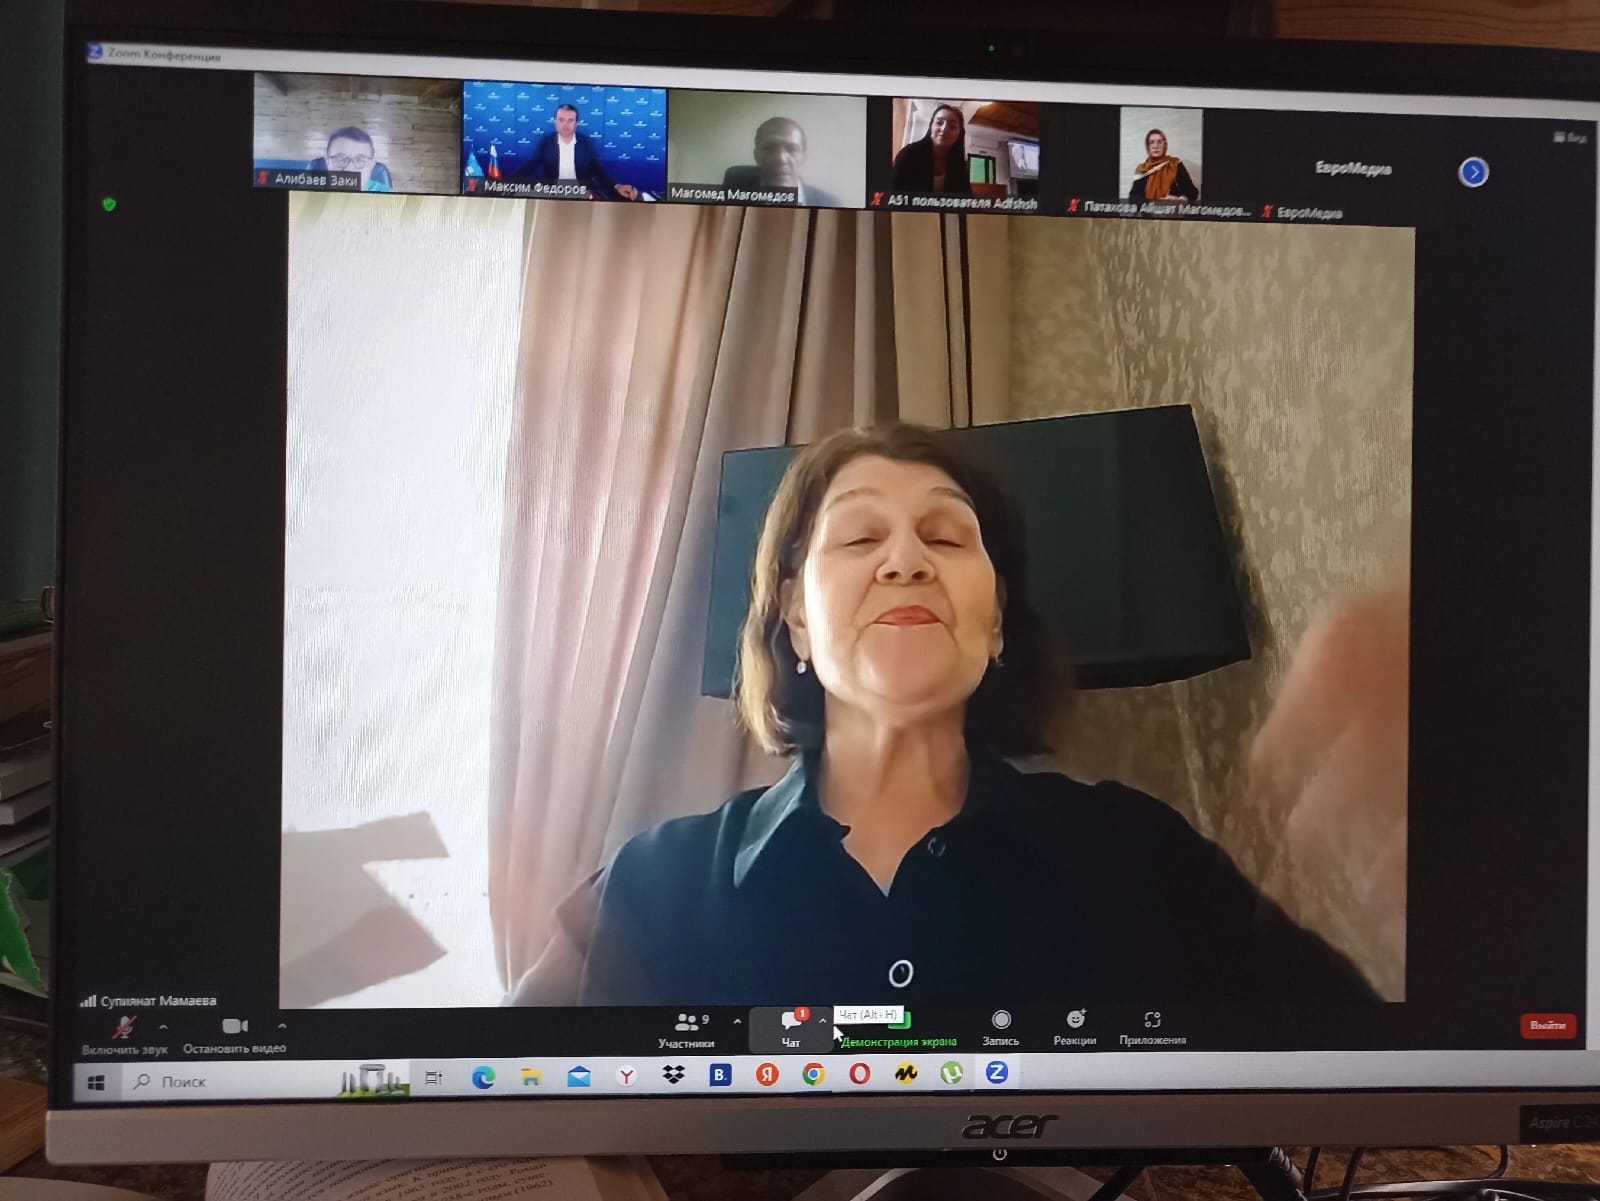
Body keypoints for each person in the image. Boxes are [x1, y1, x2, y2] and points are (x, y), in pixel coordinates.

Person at [512, 424, 1381, 1006]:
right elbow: (489, 1127)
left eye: (948, 536)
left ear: (995, 620)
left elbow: (1367, 1081)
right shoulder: (652, 886)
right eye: (860, 537)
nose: (906, 561)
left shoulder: (1143, 854)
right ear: (795, 618)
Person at [515, 104, 639, 200]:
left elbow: (597, 170)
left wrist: (616, 186)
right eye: (561, 120)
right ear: (555, 122)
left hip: (582, 192)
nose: (565, 124)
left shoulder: (586, 142)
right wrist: (509, 182)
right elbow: (531, 165)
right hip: (554, 193)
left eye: (570, 120)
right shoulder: (546, 142)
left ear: (576, 123)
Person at [721, 117, 840, 207]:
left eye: (792, 149)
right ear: (756, 156)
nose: (780, 159)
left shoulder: (830, 204)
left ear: (803, 157)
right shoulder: (732, 196)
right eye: (769, 148)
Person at [890, 104, 973, 196]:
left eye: (952, 126)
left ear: (959, 135)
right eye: (939, 123)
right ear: (931, 127)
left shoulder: (959, 164)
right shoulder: (909, 154)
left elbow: (966, 197)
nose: (944, 129)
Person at [1128, 128, 1200, 203]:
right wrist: (1154, 202)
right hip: (1149, 210)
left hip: (1172, 209)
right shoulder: (1143, 169)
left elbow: (1193, 193)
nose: (1155, 146)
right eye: (1151, 142)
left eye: (1159, 142)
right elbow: (1133, 197)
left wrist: (1182, 198)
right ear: (1148, 146)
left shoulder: (1175, 164)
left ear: (1165, 145)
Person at [313, 127, 393, 193]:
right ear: (327, 163)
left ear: (371, 166)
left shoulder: (384, 194)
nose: (350, 169)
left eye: (360, 161)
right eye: (340, 159)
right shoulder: (312, 193)